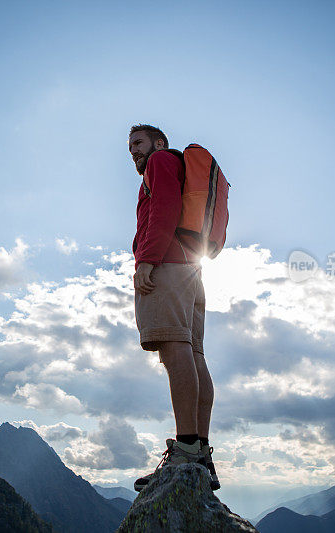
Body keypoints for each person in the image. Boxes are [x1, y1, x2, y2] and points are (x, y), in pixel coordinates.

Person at [128, 124, 219, 492]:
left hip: (167, 265)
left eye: (138, 143)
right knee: (193, 353)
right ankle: (200, 452)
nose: (133, 151)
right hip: (190, 271)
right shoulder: (175, 165)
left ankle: (186, 448)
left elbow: (163, 207)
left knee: (174, 348)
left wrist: (147, 259)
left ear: (158, 143)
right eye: (130, 147)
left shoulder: (161, 161)